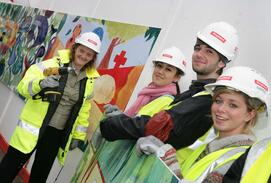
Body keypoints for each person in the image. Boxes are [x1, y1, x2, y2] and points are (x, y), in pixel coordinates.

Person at [100, 21, 239, 151]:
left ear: (222, 63)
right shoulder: (193, 93)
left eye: (209, 51)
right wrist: (124, 119)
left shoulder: (207, 100)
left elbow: (159, 126)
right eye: (198, 48)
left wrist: (112, 125)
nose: (199, 54)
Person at [136, 66, 270, 182]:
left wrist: (168, 160)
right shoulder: (213, 146)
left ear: (250, 114)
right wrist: (162, 154)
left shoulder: (240, 159)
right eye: (218, 101)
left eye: (233, 105)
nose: (221, 109)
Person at [0, 31, 102, 182]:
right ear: (75, 49)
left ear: (93, 57)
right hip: (34, 127)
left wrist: (78, 136)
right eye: (82, 51)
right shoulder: (51, 65)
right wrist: (40, 84)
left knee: (40, 175)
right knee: (9, 167)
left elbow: (83, 110)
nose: (84, 56)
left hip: (56, 134)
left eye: (89, 54)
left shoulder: (89, 80)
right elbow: (23, 87)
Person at [104, 46, 186, 119]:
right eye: (159, 66)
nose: (160, 71)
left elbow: (141, 129)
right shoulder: (147, 93)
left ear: (176, 77)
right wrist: (121, 116)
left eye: (168, 69)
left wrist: (120, 119)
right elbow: (135, 121)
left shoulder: (167, 101)